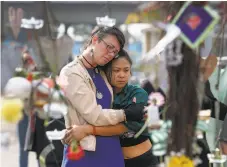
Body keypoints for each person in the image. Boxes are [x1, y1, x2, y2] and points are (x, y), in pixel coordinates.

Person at [59, 26, 145, 167]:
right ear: (95, 40)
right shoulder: (71, 73)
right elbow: (94, 116)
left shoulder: (103, 72)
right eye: (108, 47)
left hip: (111, 151)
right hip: (85, 153)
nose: (110, 54)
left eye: (115, 52)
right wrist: (125, 114)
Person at [63, 49, 159, 167]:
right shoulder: (104, 96)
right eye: (116, 70)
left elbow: (124, 127)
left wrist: (87, 129)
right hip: (117, 160)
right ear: (107, 71)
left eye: (126, 70)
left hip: (144, 160)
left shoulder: (138, 93)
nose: (122, 75)